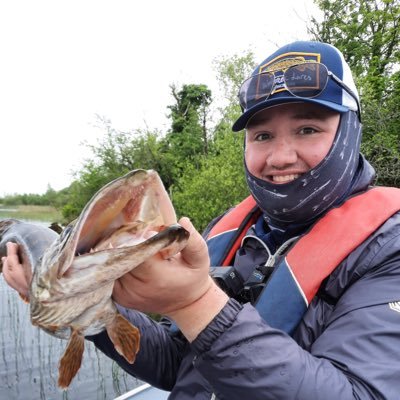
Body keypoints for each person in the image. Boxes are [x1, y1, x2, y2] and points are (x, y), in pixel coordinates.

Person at [4, 41, 400, 399]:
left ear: (349, 134)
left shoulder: (388, 247)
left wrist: (196, 303)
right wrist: (85, 307)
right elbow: (177, 365)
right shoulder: (234, 233)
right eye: (262, 136)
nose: (279, 157)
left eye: (308, 129)